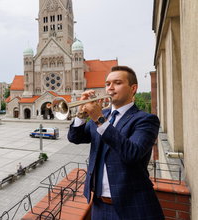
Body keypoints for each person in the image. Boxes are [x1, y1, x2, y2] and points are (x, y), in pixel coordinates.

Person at [67, 66, 163, 219]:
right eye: (107, 84)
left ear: (133, 88)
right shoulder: (102, 115)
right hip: (99, 205)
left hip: (133, 206)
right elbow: (75, 138)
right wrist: (80, 112)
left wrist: (99, 119)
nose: (110, 87)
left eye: (117, 83)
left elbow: (132, 154)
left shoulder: (145, 120)